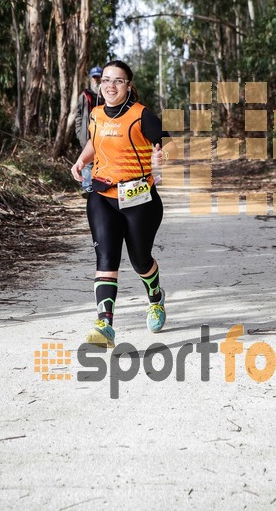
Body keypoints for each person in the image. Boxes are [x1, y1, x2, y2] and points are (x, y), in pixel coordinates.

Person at [71, 59, 177, 348]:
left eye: (117, 80)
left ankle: (156, 298)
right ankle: (105, 324)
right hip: (102, 195)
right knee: (106, 258)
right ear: (99, 83)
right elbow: (95, 141)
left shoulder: (143, 116)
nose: (110, 86)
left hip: (140, 200)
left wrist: (162, 157)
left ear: (128, 85)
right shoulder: (95, 114)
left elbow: (169, 146)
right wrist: (82, 159)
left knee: (140, 260)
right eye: (106, 80)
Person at [74, 66, 103, 195]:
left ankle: (99, 186)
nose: (96, 80)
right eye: (94, 77)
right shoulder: (84, 96)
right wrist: (79, 131)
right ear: (90, 78)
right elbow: (78, 115)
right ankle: (87, 187)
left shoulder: (106, 95)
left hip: (103, 133)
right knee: (87, 161)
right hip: (86, 134)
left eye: (98, 77)